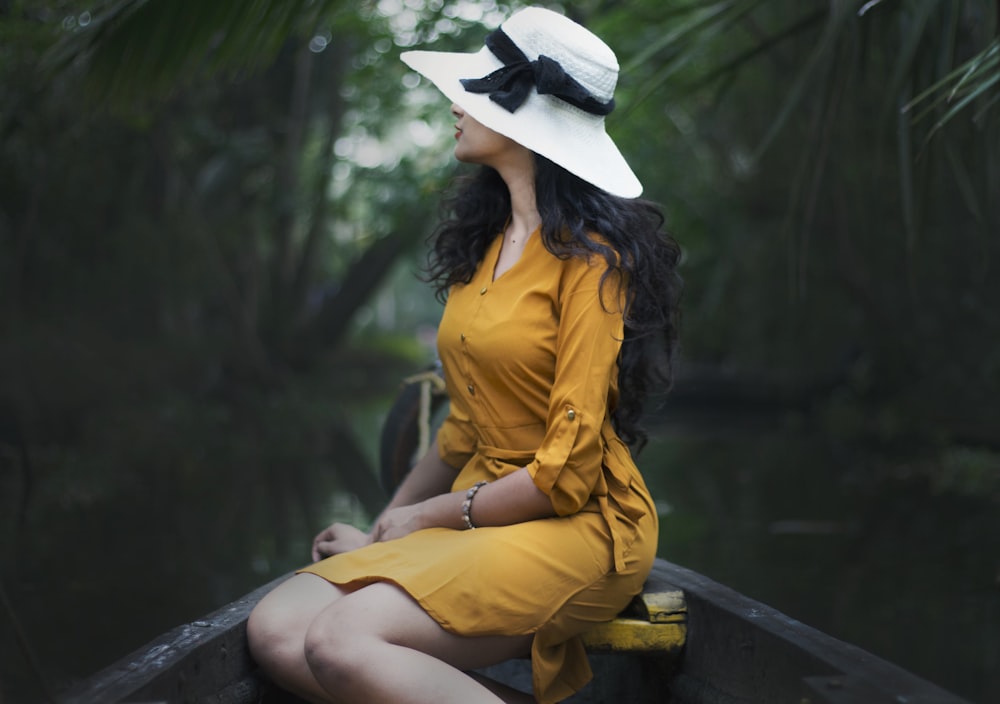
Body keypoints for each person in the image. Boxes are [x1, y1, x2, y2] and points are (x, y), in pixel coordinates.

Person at [247, 6, 682, 703]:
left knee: (339, 640)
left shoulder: (594, 264)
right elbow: (460, 430)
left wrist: (424, 520)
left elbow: (565, 475)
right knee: (276, 628)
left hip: (577, 525)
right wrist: (383, 525)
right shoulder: (485, 247)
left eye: (474, 91)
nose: (455, 103)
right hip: (477, 507)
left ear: (522, 117)